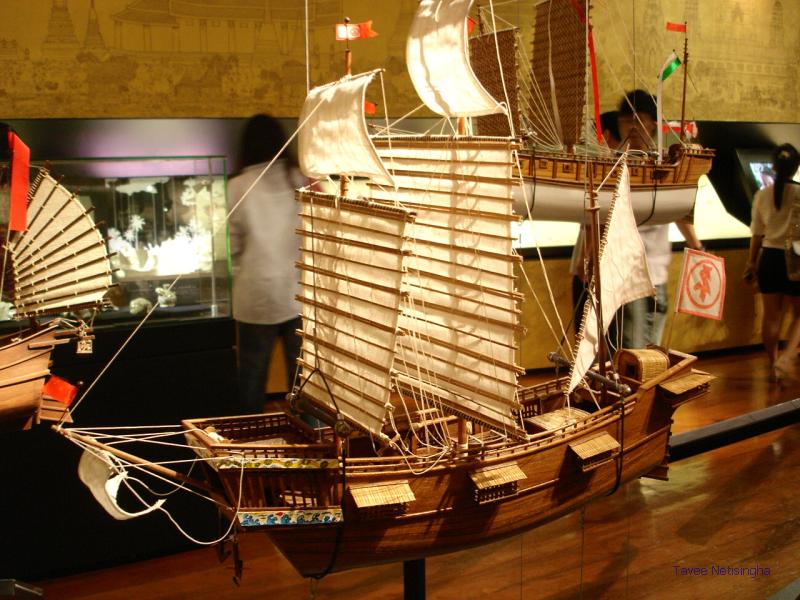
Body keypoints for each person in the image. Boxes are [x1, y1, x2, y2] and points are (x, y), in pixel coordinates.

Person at [228, 114, 305, 413]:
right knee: (302, 381)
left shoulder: (237, 186)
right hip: (296, 294)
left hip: (254, 296)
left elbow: (232, 245)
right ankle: (309, 434)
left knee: (252, 377)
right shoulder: (298, 180)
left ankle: (251, 434)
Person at [616, 90, 704, 348]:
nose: (632, 127)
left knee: (651, 350)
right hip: (626, 275)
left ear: (652, 123)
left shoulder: (664, 165)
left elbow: (678, 210)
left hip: (656, 273)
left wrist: (697, 246)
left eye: (639, 120)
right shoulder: (613, 165)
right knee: (632, 349)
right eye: (626, 121)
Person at [743, 143, 800, 383]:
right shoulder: (799, 192)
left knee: (771, 316)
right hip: (795, 258)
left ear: (774, 167)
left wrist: (751, 263)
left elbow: (757, 234)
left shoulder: (762, 194)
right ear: (796, 167)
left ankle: (773, 363)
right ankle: (787, 357)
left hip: (769, 258)